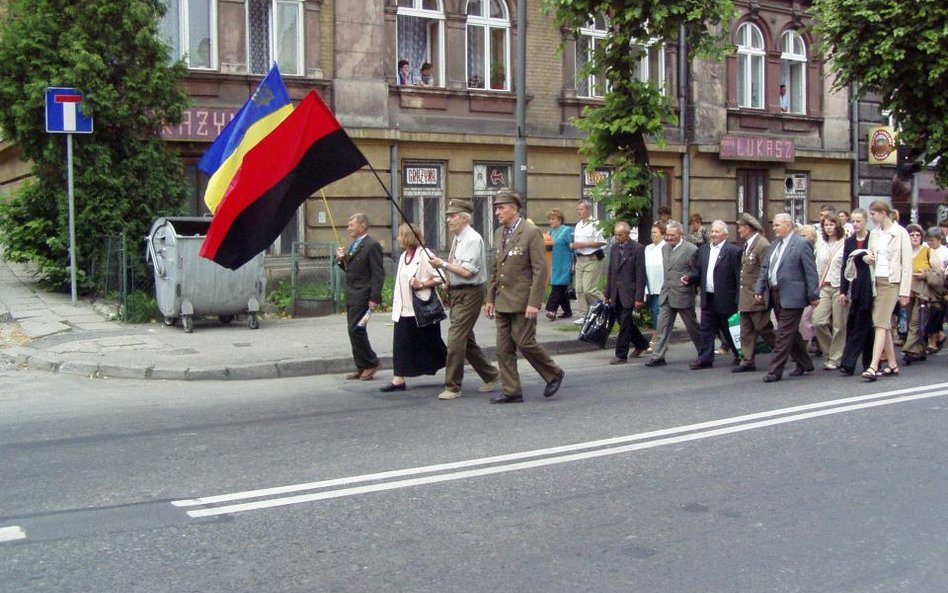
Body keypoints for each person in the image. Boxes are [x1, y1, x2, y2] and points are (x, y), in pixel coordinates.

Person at [484, 189, 565, 404]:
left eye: (501, 208)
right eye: (497, 208)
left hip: (522, 301)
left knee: (525, 342)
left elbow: (540, 270)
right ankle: (512, 391)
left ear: (514, 208)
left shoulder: (531, 232)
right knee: (503, 349)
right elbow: (495, 267)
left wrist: (534, 303)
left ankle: (553, 372)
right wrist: (489, 298)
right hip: (501, 299)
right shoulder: (500, 233)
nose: (497, 213)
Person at [428, 199, 500, 400]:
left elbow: (467, 272)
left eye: (452, 215)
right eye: (448, 215)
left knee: (456, 338)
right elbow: (458, 267)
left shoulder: (472, 239)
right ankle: (491, 374)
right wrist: (449, 280)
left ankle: (453, 386)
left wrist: (442, 264)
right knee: (465, 338)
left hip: (470, 293)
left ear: (463, 218)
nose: (448, 219)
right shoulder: (459, 238)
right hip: (459, 293)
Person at [379, 223, 447, 392]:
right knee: (401, 344)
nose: (398, 238)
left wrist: (422, 283)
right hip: (403, 309)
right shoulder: (403, 256)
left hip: (421, 309)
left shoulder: (424, 254)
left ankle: (453, 367)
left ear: (408, 237)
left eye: (401, 235)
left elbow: (441, 277)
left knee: (432, 344)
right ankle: (398, 380)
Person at [755, 213, 820, 383]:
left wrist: (813, 295)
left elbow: (811, 272)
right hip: (775, 293)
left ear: (788, 225)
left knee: (783, 333)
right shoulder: (775, 244)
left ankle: (775, 370)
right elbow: (765, 268)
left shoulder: (802, 244)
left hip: (793, 295)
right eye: (774, 225)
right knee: (791, 332)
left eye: (777, 225)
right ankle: (805, 363)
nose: (774, 228)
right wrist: (759, 288)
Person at [860, 200, 912, 381]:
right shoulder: (874, 234)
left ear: (883, 213)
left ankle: (873, 365)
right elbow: (872, 254)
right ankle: (892, 363)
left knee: (879, 323)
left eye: (873, 214)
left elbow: (907, 264)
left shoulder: (900, 233)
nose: (872, 217)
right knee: (885, 324)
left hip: (892, 282)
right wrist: (868, 258)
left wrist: (905, 291)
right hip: (877, 280)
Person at [645, 220, 701, 367]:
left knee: (692, 327)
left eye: (672, 235)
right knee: (662, 326)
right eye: (667, 235)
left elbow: (697, 272)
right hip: (667, 294)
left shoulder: (691, 249)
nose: (669, 238)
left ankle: (703, 352)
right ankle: (658, 356)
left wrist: (689, 279)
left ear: (680, 234)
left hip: (683, 295)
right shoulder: (665, 248)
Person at [335, 213, 384, 381]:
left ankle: (371, 362)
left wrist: (374, 298)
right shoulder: (355, 244)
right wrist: (341, 259)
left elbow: (378, 274)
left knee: (357, 330)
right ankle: (362, 365)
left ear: (362, 226)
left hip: (363, 294)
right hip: (352, 293)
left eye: (351, 225)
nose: (348, 228)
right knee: (353, 331)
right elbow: (350, 268)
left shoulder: (372, 245)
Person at [691, 220, 742, 369]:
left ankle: (739, 354)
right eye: (712, 231)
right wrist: (690, 279)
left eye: (717, 232)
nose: (713, 234)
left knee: (728, 329)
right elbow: (698, 271)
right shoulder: (704, 250)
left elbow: (738, 277)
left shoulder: (733, 251)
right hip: (708, 296)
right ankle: (705, 359)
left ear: (725, 234)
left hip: (726, 297)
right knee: (706, 329)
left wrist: (738, 298)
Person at [733, 213, 775, 373]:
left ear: (748, 228)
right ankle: (747, 360)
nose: (738, 230)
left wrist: (762, 292)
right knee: (746, 330)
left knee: (763, 328)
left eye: (740, 227)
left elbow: (766, 271)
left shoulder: (762, 244)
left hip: (756, 295)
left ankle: (782, 351)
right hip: (746, 296)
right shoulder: (748, 244)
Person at [604, 221, 649, 364]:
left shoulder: (637, 248)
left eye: (620, 235)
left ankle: (621, 354)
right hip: (615, 291)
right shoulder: (614, 247)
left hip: (630, 292)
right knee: (624, 321)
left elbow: (641, 274)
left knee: (624, 323)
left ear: (628, 234)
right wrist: (607, 293)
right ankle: (641, 343)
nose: (618, 237)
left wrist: (639, 297)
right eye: (616, 234)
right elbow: (611, 271)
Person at [838, 209, 875, 376]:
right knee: (858, 323)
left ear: (866, 221)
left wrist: (868, 258)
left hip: (870, 285)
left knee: (862, 322)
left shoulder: (873, 238)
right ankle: (868, 362)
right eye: (853, 221)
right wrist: (843, 290)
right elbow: (845, 266)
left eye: (858, 221)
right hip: (856, 286)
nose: (855, 224)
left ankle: (848, 362)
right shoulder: (850, 241)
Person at [900, 224, 943, 365]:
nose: (915, 237)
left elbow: (939, 271)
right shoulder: (903, 251)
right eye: (912, 235)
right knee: (909, 322)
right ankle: (920, 349)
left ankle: (909, 350)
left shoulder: (927, 251)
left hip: (922, 292)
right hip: (906, 291)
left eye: (917, 235)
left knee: (915, 321)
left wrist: (925, 275)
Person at [812, 214, 848, 370]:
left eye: (831, 224)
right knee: (818, 321)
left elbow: (848, 267)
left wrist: (846, 290)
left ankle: (835, 357)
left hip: (839, 286)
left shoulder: (845, 244)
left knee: (839, 324)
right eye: (826, 225)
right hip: (823, 286)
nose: (828, 227)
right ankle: (831, 352)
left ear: (837, 226)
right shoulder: (820, 244)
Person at [570, 199, 606, 325]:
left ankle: (605, 305)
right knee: (578, 289)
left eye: (581, 209)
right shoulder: (578, 225)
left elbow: (601, 242)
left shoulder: (596, 223)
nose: (578, 212)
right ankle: (584, 315)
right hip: (580, 258)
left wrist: (584, 244)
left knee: (588, 289)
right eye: (578, 209)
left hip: (592, 258)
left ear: (588, 210)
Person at [544, 208, 574, 321]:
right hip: (554, 264)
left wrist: (574, 264)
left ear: (560, 220)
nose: (550, 221)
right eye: (549, 219)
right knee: (560, 288)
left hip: (564, 264)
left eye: (553, 219)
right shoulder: (550, 232)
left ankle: (552, 310)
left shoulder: (566, 230)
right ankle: (567, 311)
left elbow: (572, 247)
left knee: (557, 288)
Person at [924, 226, 948, 353]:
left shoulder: (945, 252)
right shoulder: (925, 249)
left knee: (936, 313)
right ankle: (938, 335)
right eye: (928, 240)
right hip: (926, 285)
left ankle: (933, 340)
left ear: (939, 239)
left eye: (932, 240)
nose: (929, 243)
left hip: (940, 287)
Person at [643, 222, 666, 353]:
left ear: (662, 234)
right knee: (653, 312)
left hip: (661, 286)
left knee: (658, 313)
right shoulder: (648, 248)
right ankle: (662, 338)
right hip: (650, 285)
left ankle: (656, 338)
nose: (653, 235)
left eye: (655, 232)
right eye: (651, 233)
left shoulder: (665, 247)